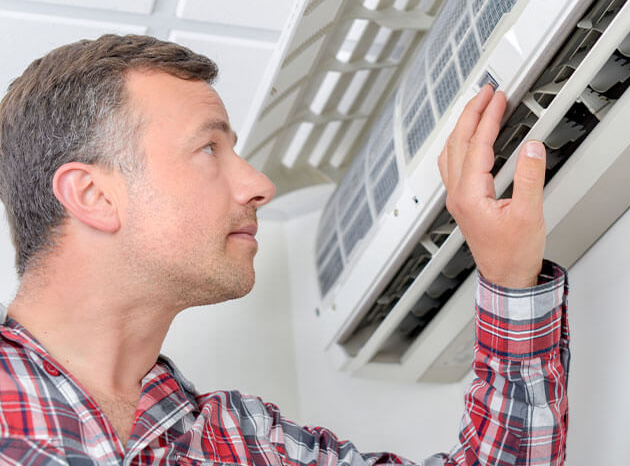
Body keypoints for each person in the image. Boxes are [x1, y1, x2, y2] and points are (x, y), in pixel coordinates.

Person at [0, 34, 569, 465]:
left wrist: (509, 279)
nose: (260, 185)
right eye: (208, 149)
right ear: (94, 195)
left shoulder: (244, 441)